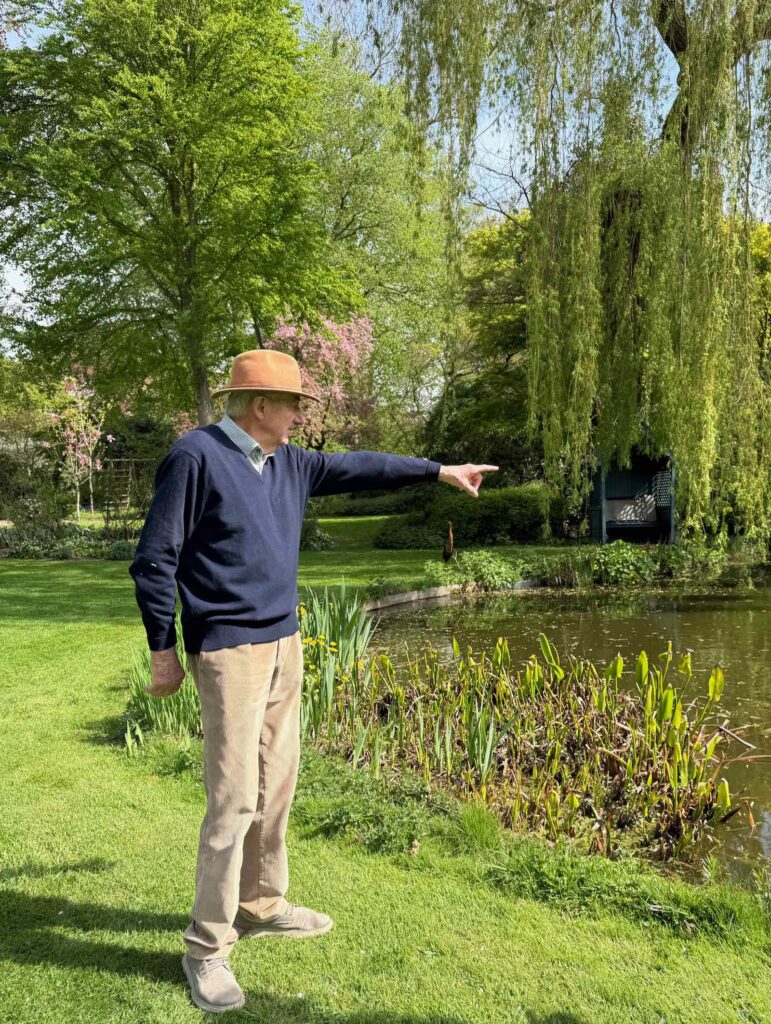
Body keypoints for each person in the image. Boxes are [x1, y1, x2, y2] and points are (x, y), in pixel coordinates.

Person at [128, 349, 498, 1013]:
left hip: (283, 643)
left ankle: (262, 904)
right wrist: (162, 649)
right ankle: (206, 949)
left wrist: (438, 470)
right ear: (260, 405)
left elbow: (362, 468)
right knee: (234, 801)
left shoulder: (289, 462)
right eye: (294, 403)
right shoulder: (196, 457)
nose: (302, 414)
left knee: (276, 785)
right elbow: (155, 558)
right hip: (229, 651)